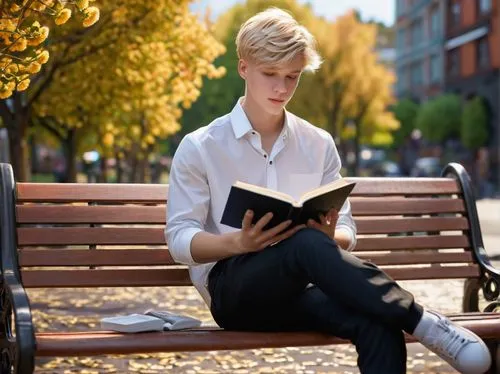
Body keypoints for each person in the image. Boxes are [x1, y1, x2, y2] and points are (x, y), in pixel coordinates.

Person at [166, 8, 491, 374]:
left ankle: (404, 317)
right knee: (303, 245)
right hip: (235, 292)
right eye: (269, 74)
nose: (282, 88)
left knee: (377, 322)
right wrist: (239, 243)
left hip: (302, 287)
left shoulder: (317, 143)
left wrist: (331, 237)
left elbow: (347, 228)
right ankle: (421, 320)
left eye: (292, 76)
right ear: (243, 68)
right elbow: (180, 240)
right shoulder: (201, 146)